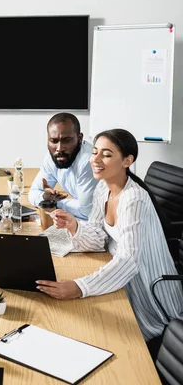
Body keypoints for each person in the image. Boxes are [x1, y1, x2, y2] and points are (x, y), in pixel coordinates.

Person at [36, 128, 183, 345]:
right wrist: (75, 226)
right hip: (124, 280)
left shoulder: (134, 199)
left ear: (127, 161)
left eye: (106, 154)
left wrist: (80, 287)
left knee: (102, 335)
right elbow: (98, 238)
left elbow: (129, 260)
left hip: (150, 296)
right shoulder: (103, 190)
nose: (95, 159)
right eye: (94, 152)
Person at [28, 113, 97, 220]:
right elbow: (32, 194)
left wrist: (55, 203)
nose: (59, 148)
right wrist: (45, 197)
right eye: (54, 141)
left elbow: (87, 212)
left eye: (66, 140)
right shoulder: (53, 157)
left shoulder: (88, 162)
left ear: (79, 139)